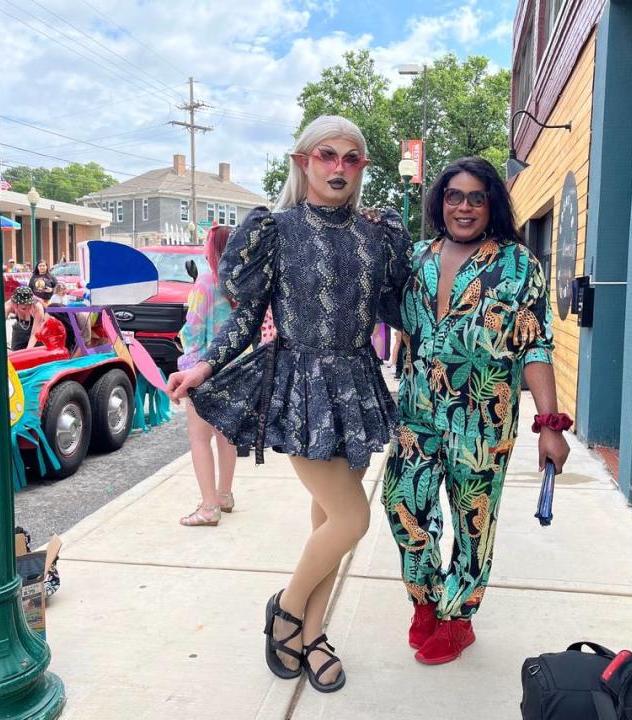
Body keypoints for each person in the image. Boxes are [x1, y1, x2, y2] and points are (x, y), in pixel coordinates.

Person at [166, 115, 411, 693]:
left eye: (352, 159)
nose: (339, 167)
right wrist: (204, 365)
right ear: (303, 162)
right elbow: (247, 320)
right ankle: (288, 607)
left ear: (361, 170)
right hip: (301, 386)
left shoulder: (379, 234)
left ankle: (315, 634)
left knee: (330, 517)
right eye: (327, 155)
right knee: (353, 517)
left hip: (357, 384)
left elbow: (401, 308)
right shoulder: (274, 229)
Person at [382, 157, 571, 665]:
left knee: (472, 520)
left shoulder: (518, 265)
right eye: (453, 196)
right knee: (401, 504)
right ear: (440, 201)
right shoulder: (418, 256)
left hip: (483, 416)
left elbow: (535, 347)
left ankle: (458, 617)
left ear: (491, 205)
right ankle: (425, 598)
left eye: (476, 197)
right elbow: (388, 313)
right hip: (418, 409)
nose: (463, 207)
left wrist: (549, 426)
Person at [177, 225, 238, 525]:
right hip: (234, 369)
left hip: (203, 369)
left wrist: (185, 368)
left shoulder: (205, 282)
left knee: (199, 438)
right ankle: (224, 495)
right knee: (226, 435)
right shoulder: (240, 284)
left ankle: (209, 507)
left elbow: (194, 329)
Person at [4, 286, 46, 351]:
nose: (24, 305)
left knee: (35, 354)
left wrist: (28, 351)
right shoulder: (8, 305)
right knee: (16, 355)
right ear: (15, 302)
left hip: (37, 332)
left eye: (27, 303)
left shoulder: (37, 307)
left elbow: (35, 332)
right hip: (19, 330)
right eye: (21, 302)